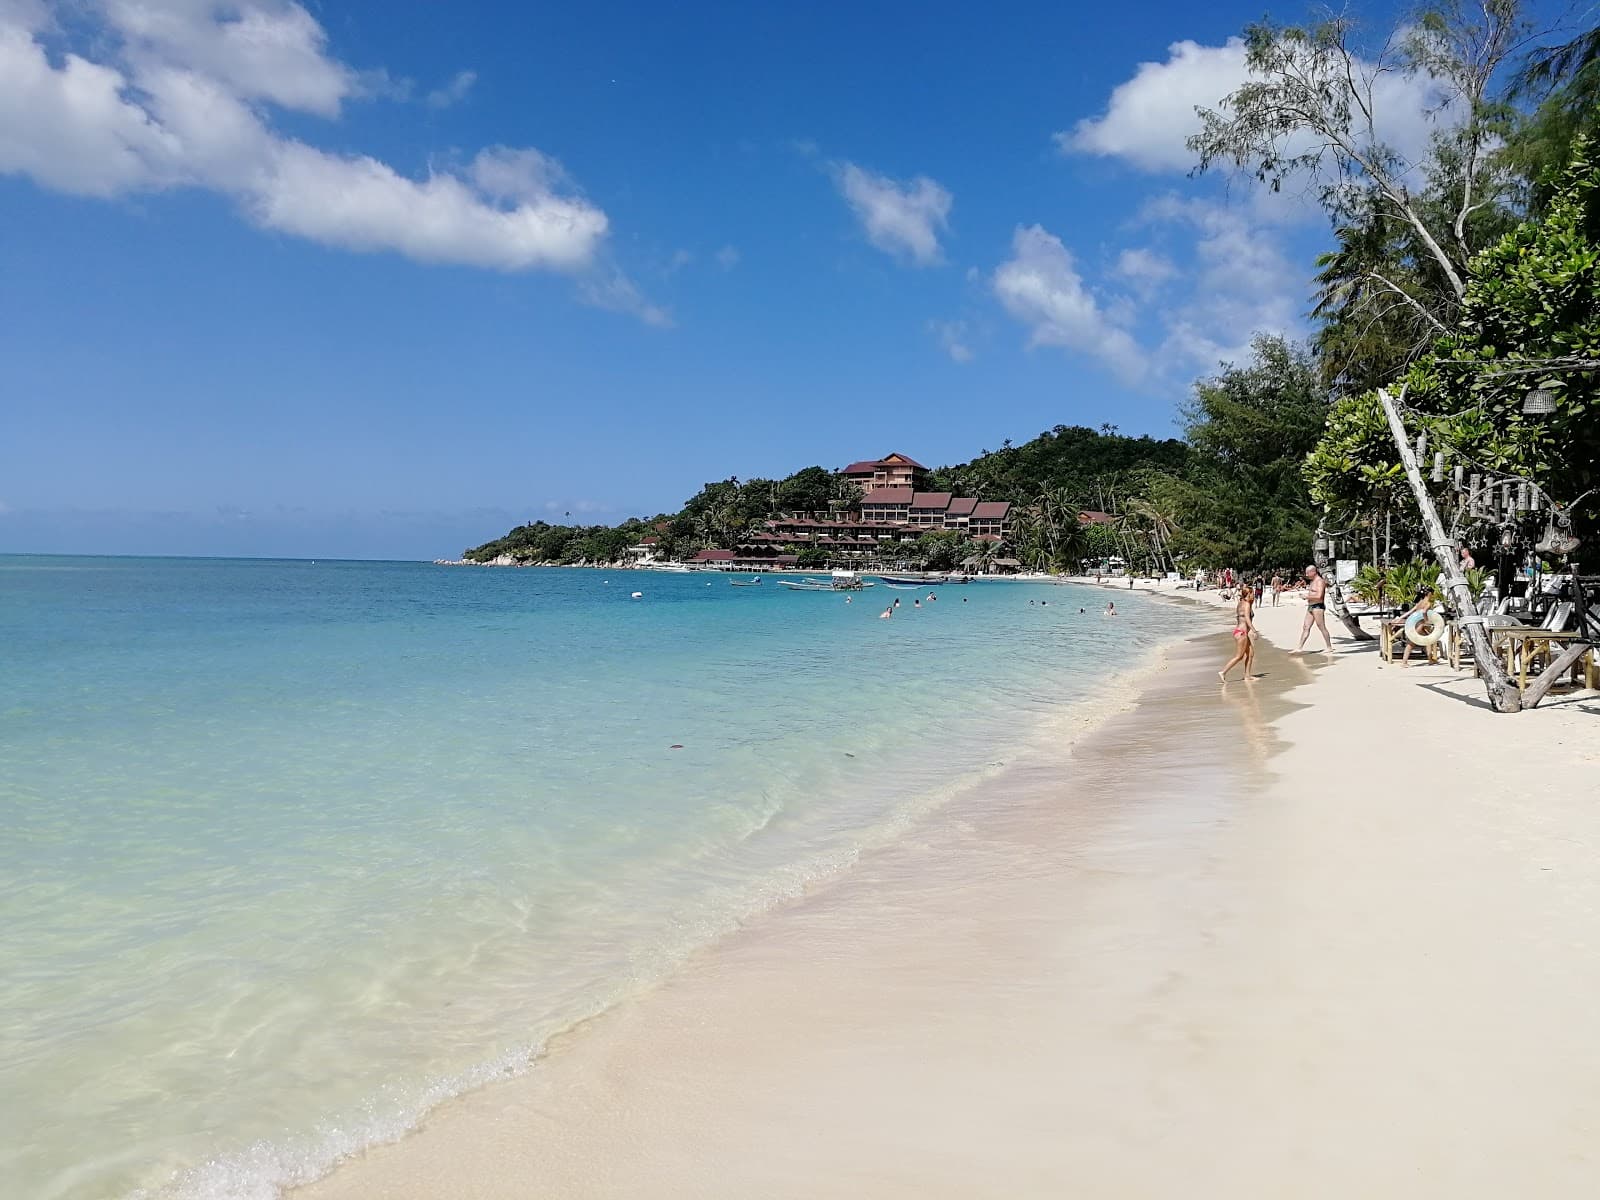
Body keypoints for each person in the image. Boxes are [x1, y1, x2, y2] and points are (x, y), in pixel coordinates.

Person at [1391, 587, 1441, 668]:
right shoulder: (1428, 603)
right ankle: (1404, 662)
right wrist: (1426, 620)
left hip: (1415, 624)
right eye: (1432, 594)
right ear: (1429, 594)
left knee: (1428, 641)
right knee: (1411, 643)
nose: (1433, 595)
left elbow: (1409, 612)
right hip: (1421, 625)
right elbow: (1424, 611)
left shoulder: (1419, 602)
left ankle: (1430, 660)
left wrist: (1399, 619)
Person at [1219, 576, 1257, 682]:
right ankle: (1223, 672)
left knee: (1250, 654)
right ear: (1248, 594)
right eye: (1252, 593)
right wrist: (1254, 630)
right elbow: (1247, 619)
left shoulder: (1241, 603)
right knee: (1239, 656)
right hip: (1242, 633)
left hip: (1238, 631)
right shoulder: (1247, 604)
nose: (1253, 595)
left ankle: (1247, 676)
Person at [1294, 564, 1334, 654]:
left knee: (1321, 626)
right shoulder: (1312, 581)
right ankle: (1299, 647)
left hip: (1318, 606)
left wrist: (1306, 596)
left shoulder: (1319, 581)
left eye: (1308, 573)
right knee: (1305, 627)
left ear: (1313, 572)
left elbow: (1319, 596)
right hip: (1311, 606)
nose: (1306, 575)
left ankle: (1329, 647)